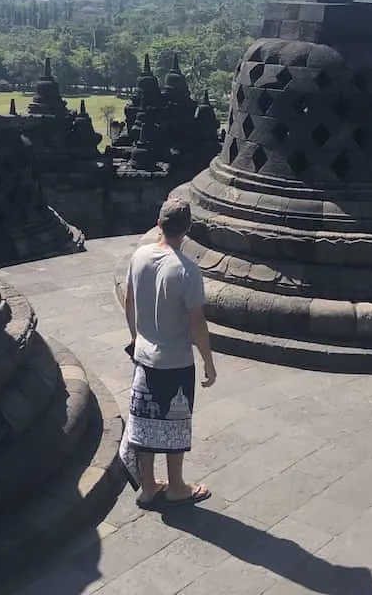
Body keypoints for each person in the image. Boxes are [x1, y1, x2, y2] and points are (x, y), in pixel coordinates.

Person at [118, 196, 216, 509]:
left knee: (145, 423)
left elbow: (130, 302)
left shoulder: (140, 256)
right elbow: (197, 325)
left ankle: (147, 487)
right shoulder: (187, 270)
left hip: (144, 357)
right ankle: (175, 486)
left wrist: (136, 339)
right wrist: (208, 363)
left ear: (159, 224)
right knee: (174, 425)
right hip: (175, 361)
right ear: (187, 229)